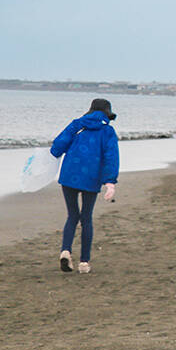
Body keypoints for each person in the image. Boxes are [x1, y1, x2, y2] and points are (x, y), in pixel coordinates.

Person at [50, 98, 119, 274]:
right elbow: (111, 157)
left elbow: (57, 147)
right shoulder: (107, 132)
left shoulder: (77, 124)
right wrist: (110, 182)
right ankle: (84, 262)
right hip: (91, 177)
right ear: (107, 114)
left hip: (69, 175)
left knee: (72, 215)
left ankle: (65, 251)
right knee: (86, 218)